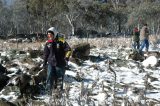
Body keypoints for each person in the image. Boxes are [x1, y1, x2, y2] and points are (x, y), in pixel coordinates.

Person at [43, 27, 71, 94]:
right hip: (51, 63)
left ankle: (58, 93)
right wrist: (44, 62)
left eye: (50, 34)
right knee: (49, 77)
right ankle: (48, 93)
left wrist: (66, 58)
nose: (49, 36)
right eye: (48, 34)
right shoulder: (48, 43)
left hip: (60, 63)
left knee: (59, 79)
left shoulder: (62, 41)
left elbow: (69, 50)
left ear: (54, 34)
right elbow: (46, 54)